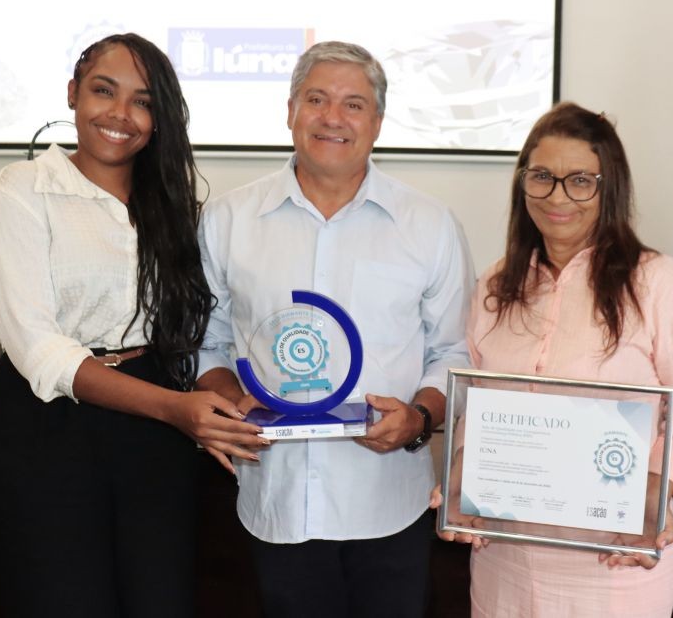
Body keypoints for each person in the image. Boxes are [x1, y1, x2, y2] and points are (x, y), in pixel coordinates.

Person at [0, 33, 267, 618]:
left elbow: (192, 331)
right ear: (73, 93)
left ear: (159, 119)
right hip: (49, 425)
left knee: (160, 597)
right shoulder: (23, 189)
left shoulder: (175, 206)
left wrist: (235, 399)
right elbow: (38, 349)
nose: (120, 114)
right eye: (103, 91)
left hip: (154, 429)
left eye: (143, 101)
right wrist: (173, 408)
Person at [195, 40, 474, 617]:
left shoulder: (429, 225)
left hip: (388, 503)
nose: (333, 118)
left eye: (354, 104)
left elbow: (454, 353)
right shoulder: (227, 220)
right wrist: (230, 399)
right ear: (290, 110)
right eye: (316, 99)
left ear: (378, 121)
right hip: (276, 498)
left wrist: (418, 418)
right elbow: (206, 342)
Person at [433, 102, 673, 617]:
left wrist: (653, 490)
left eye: (580, 181)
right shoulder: (496, 286)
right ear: (523, 183)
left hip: (614, 560)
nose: (557, 197)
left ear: (608, 188)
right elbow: (476, 404)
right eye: (542, 177)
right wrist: (462, 477)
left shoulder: (658, 284)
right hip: (505, 556)